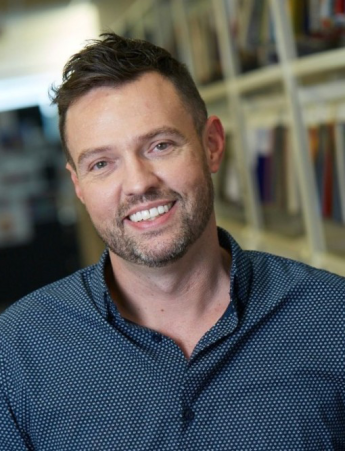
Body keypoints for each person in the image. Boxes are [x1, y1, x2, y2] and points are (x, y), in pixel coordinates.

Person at [1, 33, 344, 451]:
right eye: (102, 164)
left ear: (212, 145)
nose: (139, 184)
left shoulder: (333, 318)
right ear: (79, 185)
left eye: (160, 145)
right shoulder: (16, 354)